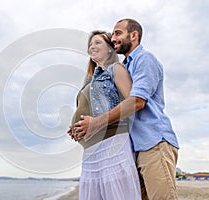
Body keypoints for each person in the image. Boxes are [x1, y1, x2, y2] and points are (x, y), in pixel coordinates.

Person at [74, 19, 179, 200]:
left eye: (117, 33)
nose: (113, 38)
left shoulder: (144, 59)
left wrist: (97, 123)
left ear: (134, 35)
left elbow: (137, 101)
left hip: (153, 142)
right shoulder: (126, 66)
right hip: (134, 148)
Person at [68, 30, 141, 200]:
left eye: (97, 42)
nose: (92, 46)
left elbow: (132, 102)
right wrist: (75, 127)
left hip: (111, 144)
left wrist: (97, 122)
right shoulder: (90, 80)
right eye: (90, 44)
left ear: (110, 48)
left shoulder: (116, 69)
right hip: (90, 150)